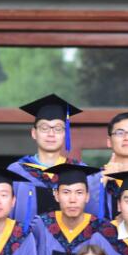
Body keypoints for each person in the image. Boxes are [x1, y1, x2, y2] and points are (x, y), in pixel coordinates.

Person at [9, 94, 84, 232]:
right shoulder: (17, 171)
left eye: (58, 128)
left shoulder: (79, 170)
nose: (51, 134)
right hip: (27, 243)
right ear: (34, 133)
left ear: (65, 133)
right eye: (44, 128)